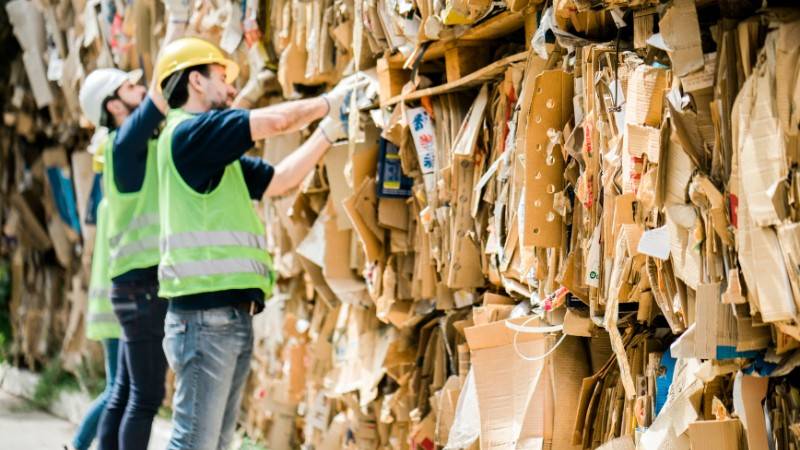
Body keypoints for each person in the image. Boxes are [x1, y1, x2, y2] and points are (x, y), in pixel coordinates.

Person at [152, 37, 363, 449]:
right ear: (196, 81)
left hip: (227, 316)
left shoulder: (212, 155)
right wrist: (330, 102)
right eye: (222, 78)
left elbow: (280, 181)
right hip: (204, 318)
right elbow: (277, 122)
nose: (232, 89)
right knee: (193, 443)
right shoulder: (189, 135)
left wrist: (328, 131)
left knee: (211, 443)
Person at [76, 2, 188, 448]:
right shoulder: (125, 142)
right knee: (145, 396)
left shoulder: (127, 144)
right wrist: (177, 21)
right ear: (112, 105)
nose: (140, 91)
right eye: (130, 88)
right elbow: (162, 92)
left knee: (125, 391)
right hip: (141, 284)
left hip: (138, 282)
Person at [68, 152, 121, 450]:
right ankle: (78, 444)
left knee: (117, 388)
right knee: (118, 389)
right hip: (116, 311)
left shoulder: (103, 206)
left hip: (106, 309)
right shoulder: (116, 207)